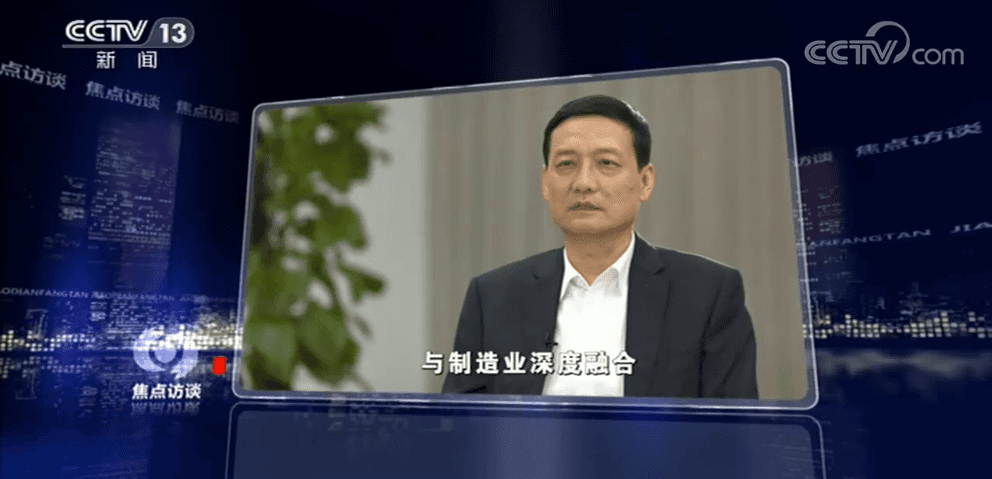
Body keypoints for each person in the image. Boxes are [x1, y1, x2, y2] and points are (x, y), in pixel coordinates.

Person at [441, 94, 758, 399]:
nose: (583, 183)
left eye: (606, 162)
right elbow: (459, 420)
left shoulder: (707, 294)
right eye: (566, 164)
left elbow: (733, 423)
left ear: (645, 181)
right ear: (545, 183)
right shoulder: (493, 296)